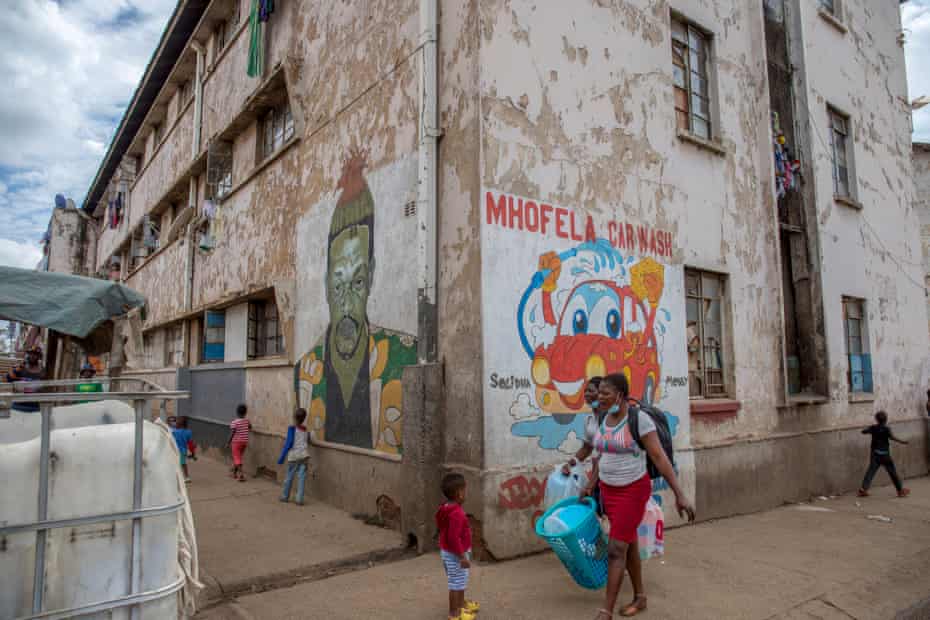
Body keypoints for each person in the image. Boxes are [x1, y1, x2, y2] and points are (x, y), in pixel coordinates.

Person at [584, 373, 694, 619]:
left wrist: (679, 494)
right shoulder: (602, 417)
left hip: (633, 490)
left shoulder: (639, 420)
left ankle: (606, 611)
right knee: (628, 542)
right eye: (599, 392)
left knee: (615, 548)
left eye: (605, 393)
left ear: (620, 395)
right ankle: (640, 597)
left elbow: (658, 457)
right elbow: (600, 454)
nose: (599, 397)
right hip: (610, 491)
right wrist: (592, 483)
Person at [436, 473, 479, 620]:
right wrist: (462, 556)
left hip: (449, 551)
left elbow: (444, 530)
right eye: (465, 490)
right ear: (459, 493)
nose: (466, 493)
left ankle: (461, 604)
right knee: (455, 583)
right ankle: (454, 613)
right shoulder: (457, 514)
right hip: (455, 554)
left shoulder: (446, 507)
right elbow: (453, 537)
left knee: (460, 580)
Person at [563, 377, 605, 513]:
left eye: (591, 390)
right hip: (597, 473)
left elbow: (606, 454)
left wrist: (591, 484)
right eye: (585, 391)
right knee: (598, 514)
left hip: (611, 474)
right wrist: (571, 463)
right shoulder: (589, 420)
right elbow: (587, 448)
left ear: (601, 393)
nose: (586, 394)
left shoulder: (610, 418)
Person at [858, 411, 910, 498]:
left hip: (875, 454)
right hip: (885, 455)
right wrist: (903, 442)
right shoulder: (887, 429)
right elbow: (892, 437)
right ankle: (900, 491)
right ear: (886, 420)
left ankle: (863, 489)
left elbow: (863, 431)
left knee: (871, 471)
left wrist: (868, 429)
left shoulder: (873, 428)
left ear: (876, 419)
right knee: (893, 472)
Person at [278, 408, 310, 505]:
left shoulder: (292, 429)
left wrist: (281, 457)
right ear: (304, 418)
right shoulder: (305, 430)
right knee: (302, 478)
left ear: (294, 418)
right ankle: (299, 499)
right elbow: (308, 440)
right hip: (304, 456)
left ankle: (285, 496)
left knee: (289, 477)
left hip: (294, 457)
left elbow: (289, 443)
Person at [5, 346, 46, 412]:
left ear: (39, 356)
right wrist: (19, 368)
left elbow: (44, 386)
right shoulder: (21, 367)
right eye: (30, 354)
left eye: (35, 354)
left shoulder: (42, 371)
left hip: (34, 406)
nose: (32, 356)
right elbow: (8, 378)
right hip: (18, 405)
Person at [226, 404, 251, 482]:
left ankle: (241, 475)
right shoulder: (247, 421)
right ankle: (234, 473)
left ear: (237, 412)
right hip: (244, 442)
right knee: (238, 458)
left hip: (236, 442)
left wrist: (228, 442)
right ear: (245, 413)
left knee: (237, 458)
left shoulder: (234, 422)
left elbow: (232, 433)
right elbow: (250, 427)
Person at [172, 416, 194, 483]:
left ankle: (177, 477)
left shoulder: (174, 431)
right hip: (183, 450)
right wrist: (192, 452)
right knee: (183, 464)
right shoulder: (188, 432)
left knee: (175, 463)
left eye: (177, 421)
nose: (175, 422)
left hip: (175, 450)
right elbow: (190, 443)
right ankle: (187, 477)